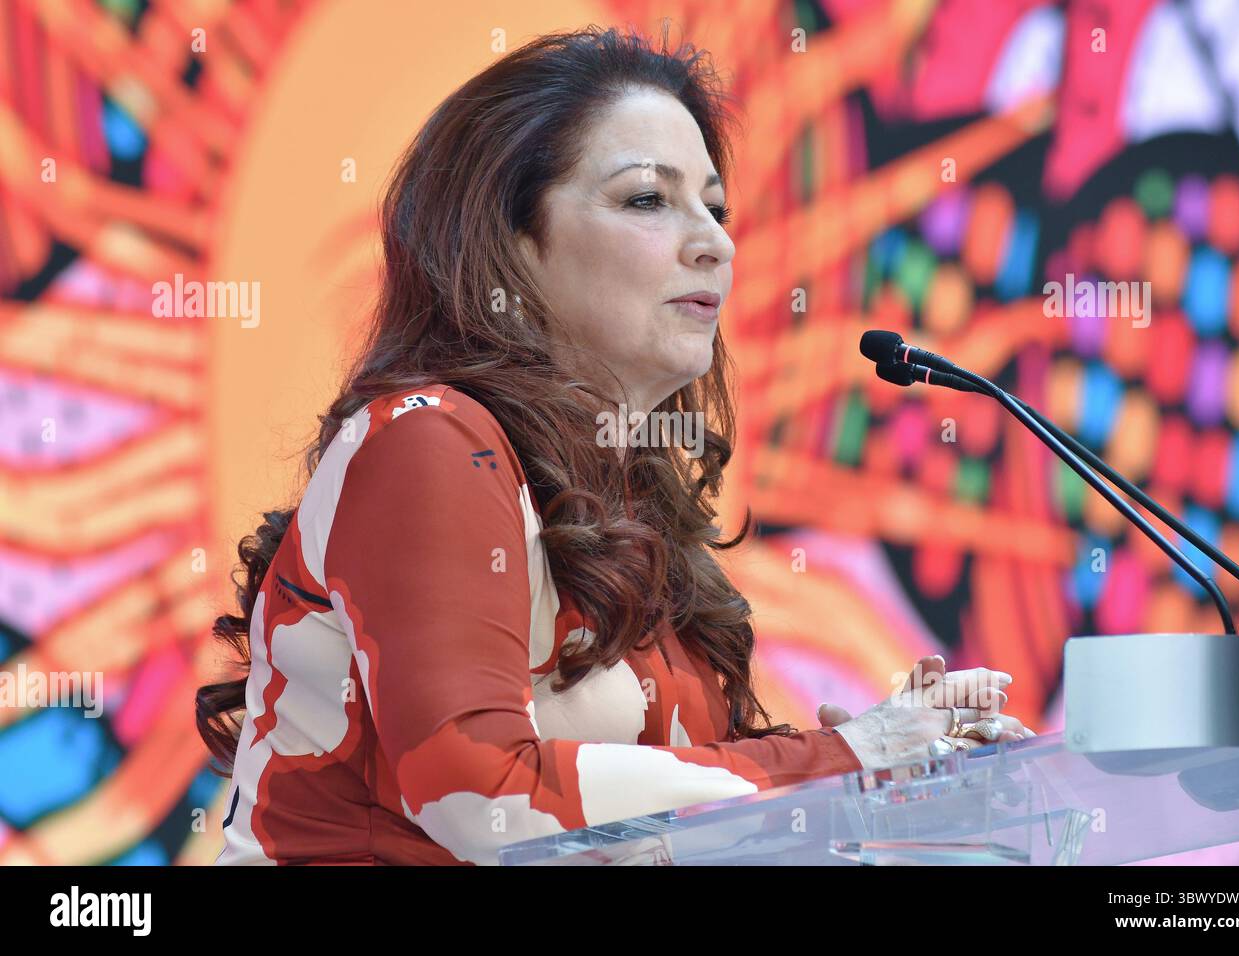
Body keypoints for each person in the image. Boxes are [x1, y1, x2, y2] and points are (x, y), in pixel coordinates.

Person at [195, 25, 1032, 866]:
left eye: (716, 206)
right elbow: (480, 797)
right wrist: (842, 764)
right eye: (646, 199)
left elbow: (662, 830)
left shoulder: (625, 499)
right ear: (511, 247)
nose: (715, 240)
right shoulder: (426, 438)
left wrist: (893, 781)